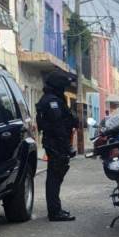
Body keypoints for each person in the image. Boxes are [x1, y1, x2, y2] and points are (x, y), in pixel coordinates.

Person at [36, 71, 79, 222]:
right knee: (54, 177)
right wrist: (66, 146)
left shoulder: (50, 99)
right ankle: (54, 212)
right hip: (56, 144)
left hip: (54, 143)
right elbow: (58, 126)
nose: (65, 89)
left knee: (55, 176)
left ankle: (55, 209)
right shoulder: (52, 102)